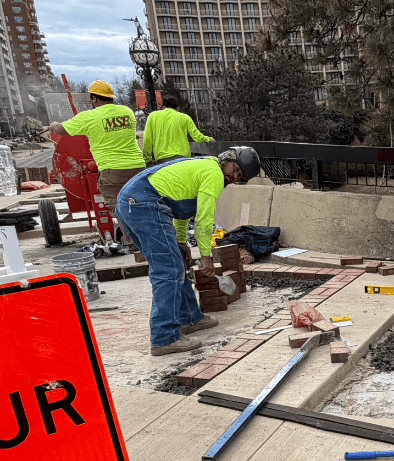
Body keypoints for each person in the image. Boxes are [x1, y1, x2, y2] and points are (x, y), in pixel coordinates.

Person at [115, 147, 260, 356]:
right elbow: (203, 221)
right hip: (144, 204)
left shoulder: (205, 167)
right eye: (235, 168)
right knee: (168, 271)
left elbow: (182, 210)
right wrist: (206, 257)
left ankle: (190, 317)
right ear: (226, 159)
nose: (234, 176)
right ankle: (163, 337)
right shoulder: (213, 174)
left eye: (239, 176)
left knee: (176, 263)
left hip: (135, 202)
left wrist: (181, 241)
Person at [45, 80, 145, 244]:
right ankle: (148, 239)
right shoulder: (127, 112)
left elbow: (61, 130)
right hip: (137, 167)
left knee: (120, 209)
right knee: (139, 205)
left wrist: (53, 125)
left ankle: (134, 244)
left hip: (112, 170)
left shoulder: (89, 117)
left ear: (94, 99)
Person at [142, 96, 214, 166]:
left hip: (162, 160)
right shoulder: (185, 117)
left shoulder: (152, 116)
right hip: (182, 159)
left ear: (163, 107)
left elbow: (147, 139)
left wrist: (147, 159)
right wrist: (209, 139)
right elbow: (197, 137)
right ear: (177, 109)